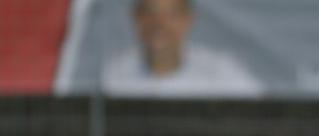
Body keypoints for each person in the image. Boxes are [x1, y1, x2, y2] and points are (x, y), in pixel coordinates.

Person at [101, 0, 264, 98]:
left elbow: (260, 121)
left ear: (188, 19)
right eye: (149, 12)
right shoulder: (114, 72)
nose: (159, 24)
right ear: (136, 17)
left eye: (171, 15)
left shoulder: (222, 72)